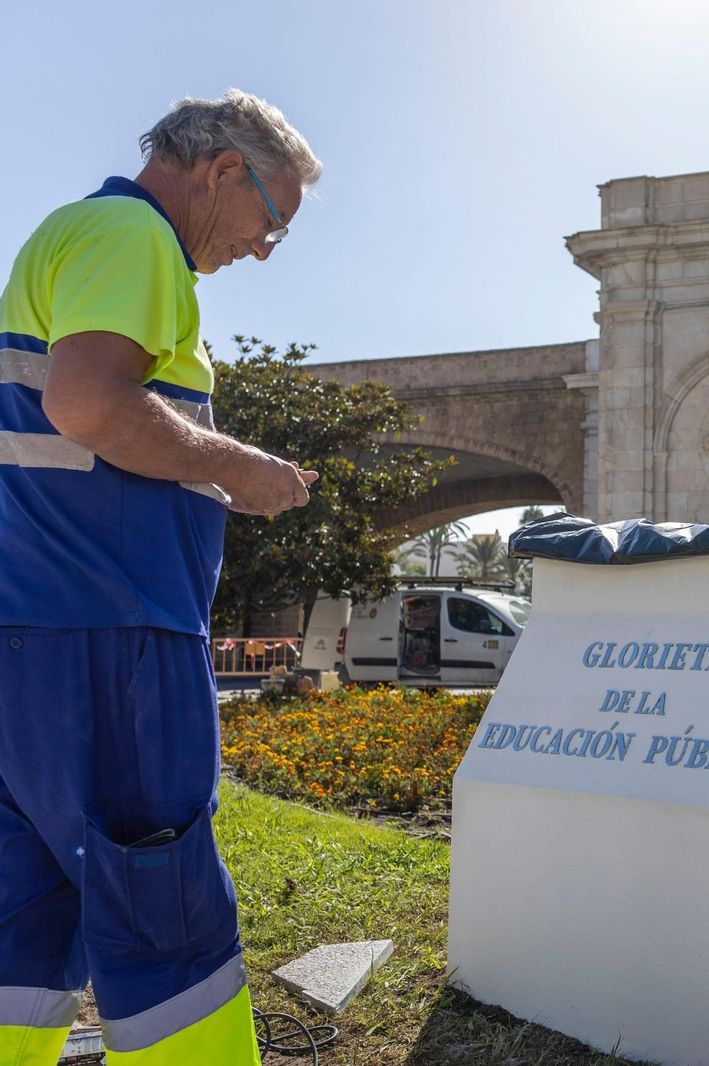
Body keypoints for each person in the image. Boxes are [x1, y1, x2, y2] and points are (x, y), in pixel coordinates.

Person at [0, 90, 322, 1065]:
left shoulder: (70, 233)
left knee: (21, 919)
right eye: (271, 220)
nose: (262, 249)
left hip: (32, 633)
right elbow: (93, 404)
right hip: (115, 638)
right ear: (222, 170)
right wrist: (240, 466)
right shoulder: (135, 236)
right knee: (163, 913)